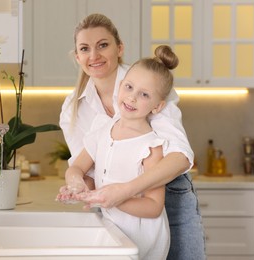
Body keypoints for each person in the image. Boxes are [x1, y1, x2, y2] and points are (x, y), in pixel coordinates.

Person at [59, 13, 205, 259]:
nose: (94, 56)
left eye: (103, 45)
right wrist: (79, 187)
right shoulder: (73, 108)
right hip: (112, 208)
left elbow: (179, 157)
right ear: (77, 56)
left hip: (166, 195)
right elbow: (88, 170)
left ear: (119, 48)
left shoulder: (149, 83)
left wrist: (121, 192)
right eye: (85, 49)